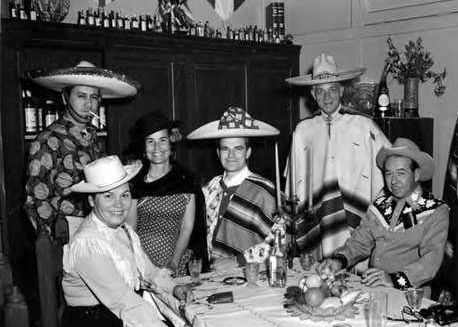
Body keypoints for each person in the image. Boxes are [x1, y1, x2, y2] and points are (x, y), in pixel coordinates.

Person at [62, 155, 204, 327]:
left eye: (125, 195)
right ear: (91, 200)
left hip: (121, 316)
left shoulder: (124, 231)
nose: (119, 204)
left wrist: (173, 287)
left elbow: (147, 270)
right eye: (108, 196)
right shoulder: (88, 243)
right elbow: (122, 300)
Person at [285, 53, 391, 261]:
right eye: (321, 92)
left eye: (332, 90)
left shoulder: (364, 125)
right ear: (313, 95)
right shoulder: (303, 131)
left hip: (357, 212)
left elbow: (390, 164)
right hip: (318, 217)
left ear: (341, 90)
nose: (327, 97)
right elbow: (294, 183)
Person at [24, 60, 139, 239]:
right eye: (81, 96)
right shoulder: (47, 141)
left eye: (94, 97)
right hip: (67, 240)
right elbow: (35, 201)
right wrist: (55, 244)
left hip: (99, 236)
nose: (89, 105)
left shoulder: (93, 139)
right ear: (65, 97)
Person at [319, 138, 449, 291]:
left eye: (401, 173)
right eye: (388, 174)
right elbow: (360, 242)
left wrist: (393, 279)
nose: (393, 181)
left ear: (416, 174)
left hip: (412, 292)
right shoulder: (379, 206)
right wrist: (339, 261)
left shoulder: (435, 210)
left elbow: (430, 261)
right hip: (374, 286)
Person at [187, 107, 280, 271]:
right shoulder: (209, 188)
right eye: (225, 149)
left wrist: (238, 261)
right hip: (212, 274)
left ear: (248, 152)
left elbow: (279, 242)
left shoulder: (264, 190)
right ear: (218, 152)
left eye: (238, 148)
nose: (231, 155)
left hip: (250, 274)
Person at [126, 111, 208, 276]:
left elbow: (187, 227)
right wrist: (143, 266)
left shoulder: (187, 181)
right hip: (142, 262)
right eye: (150, 141)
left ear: (171, 145)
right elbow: (130, 230)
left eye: (162, 140)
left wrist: (173, 265)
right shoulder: (135, 183)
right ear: (143, 148)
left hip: (177, 261)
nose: (157, 148)